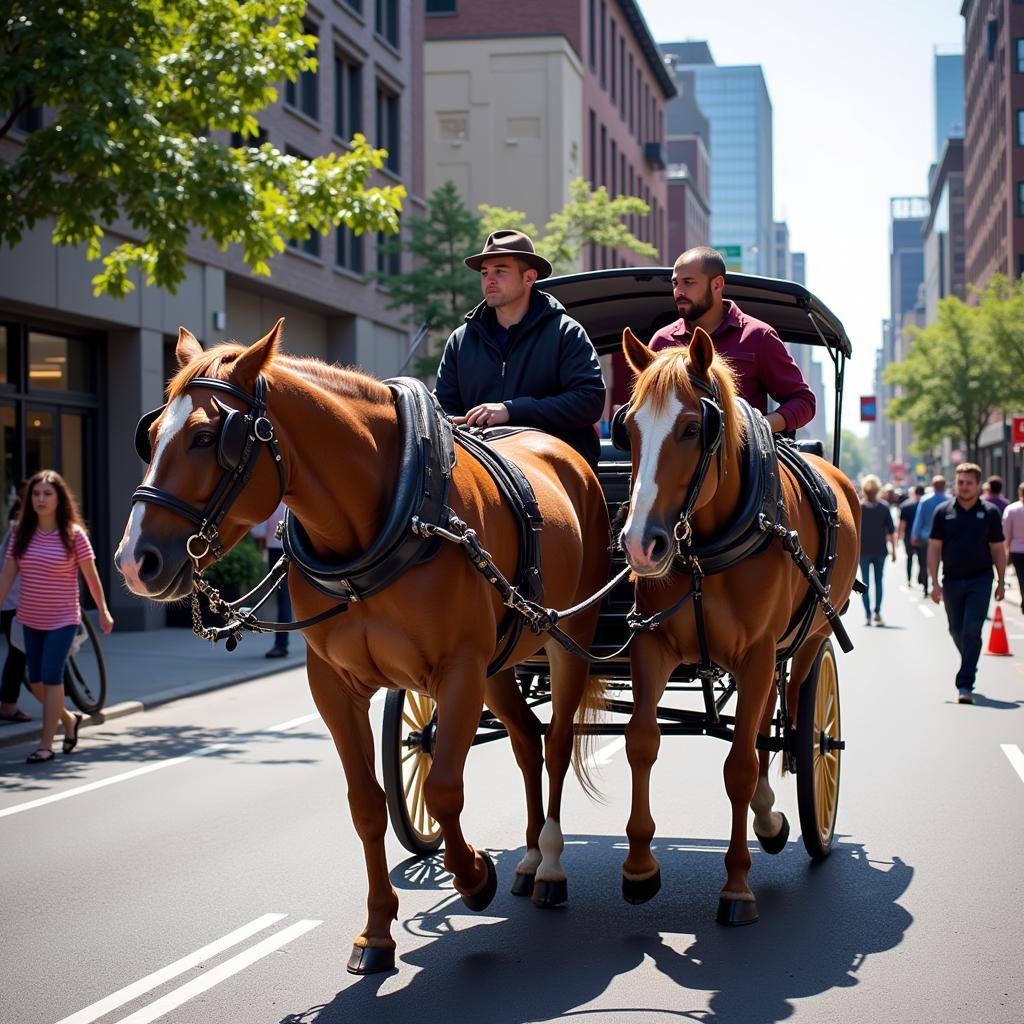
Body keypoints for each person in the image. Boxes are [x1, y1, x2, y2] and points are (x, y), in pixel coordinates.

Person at [434, 229, 606, 469]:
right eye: (485, 273)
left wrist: (510, 411)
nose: (489, 280)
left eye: (500, 272)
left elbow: (589, 401)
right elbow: (442, 408)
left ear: (529, 278)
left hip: (554, 473)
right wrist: (457, 422)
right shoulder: (460, 340)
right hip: (479, 470)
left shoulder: (566, 332)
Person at [0, 470, 114, 762]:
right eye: (36, 494)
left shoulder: (73, 535)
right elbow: (7, 576)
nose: (40, 499)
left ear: (59, 498)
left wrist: (103, 610)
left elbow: (91, 577)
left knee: (51, 677)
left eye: (47, 494)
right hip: (29, 618)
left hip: (62, 619)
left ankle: (46, 744)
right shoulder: (21, 535)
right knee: (36, 680)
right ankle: (68, 718)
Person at [648, 246, 816, 433]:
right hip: (673, 459)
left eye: (688, 282)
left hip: (745, 458)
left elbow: (803, 401)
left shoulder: (758, 336)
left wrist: (760, 428)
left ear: (717, 285)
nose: (679, 291)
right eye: (675, 283)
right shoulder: (661, 342)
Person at [927, 463, 1006, 704]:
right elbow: (934, 548)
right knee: (955, 629)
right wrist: (933, 582)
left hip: (980, 579)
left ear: (978, 485)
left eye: (968, 483)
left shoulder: (990, 512)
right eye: (960, 482)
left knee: (972, 629)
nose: (963, 487)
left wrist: (1002, 581)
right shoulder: (943, 511)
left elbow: (998, 549)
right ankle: (969, 660)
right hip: (950, 580)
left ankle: (965, 683)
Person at [0, 482, 28, 723]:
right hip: (16, 602)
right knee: (18, 656)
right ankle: (8, 705)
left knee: (18, 656)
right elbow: (7, 570)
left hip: (22, 601)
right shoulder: (20, 529)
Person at [251, 500, 292, 659]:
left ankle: (281, 644)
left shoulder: (276, 497)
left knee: (283, 598)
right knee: (285, 598)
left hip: (279, 548)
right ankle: (282, 643)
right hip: (286, 547)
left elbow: (259, 527)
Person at [858, 474, 896, 626]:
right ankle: (877, 612)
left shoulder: (860, 507)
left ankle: (867, 614)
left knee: (864, 583)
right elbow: (891, 531)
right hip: (880, 550)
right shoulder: (884, 507)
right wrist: (894, 551)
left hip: (863, 551)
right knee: (879, 582)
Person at [910, 475, 948, 596]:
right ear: (944, 486)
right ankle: (943, 586)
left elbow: (919, 519)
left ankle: (927, 587)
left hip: (926, 537)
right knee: (945, 563)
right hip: (945, 538)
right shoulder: (948, 500)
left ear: (933, 486)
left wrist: (914, 535)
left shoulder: (925, 500)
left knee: (924, 562)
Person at [897, 484, 926, 590]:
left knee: (909, 558)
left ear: (914, 493)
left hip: (908, 537)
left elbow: (902, 524)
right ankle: (922, 579)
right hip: (921, 537)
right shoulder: (925, 505)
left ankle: (909, 580)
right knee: (922, 560)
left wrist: (899, 537)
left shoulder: (906, 506)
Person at [1003, 482, 1024, 614]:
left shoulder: (1012, 509)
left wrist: (1006, 551)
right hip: (1016, 549)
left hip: (1017, 550)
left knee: (1021, 577)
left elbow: (1007, 533)